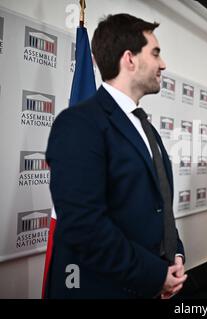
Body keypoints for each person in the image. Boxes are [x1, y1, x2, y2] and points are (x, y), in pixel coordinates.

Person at [45, 13, 187, 298]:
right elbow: (85, 227)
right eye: (156, 53)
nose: (163, 64)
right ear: (129, 59)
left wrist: (175, 253)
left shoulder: (145, 126)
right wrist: (155, 274)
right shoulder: (79, 124)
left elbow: (156, 204)